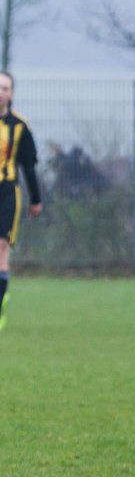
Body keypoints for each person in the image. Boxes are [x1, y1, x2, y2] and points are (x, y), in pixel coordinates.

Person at [0, 71, 43, 332]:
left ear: (12, 93)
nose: (0, 92)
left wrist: (36, 200)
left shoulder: (20, 127)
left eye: (5, 88)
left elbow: (29, 166)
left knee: (1, 247)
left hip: (7, 192)